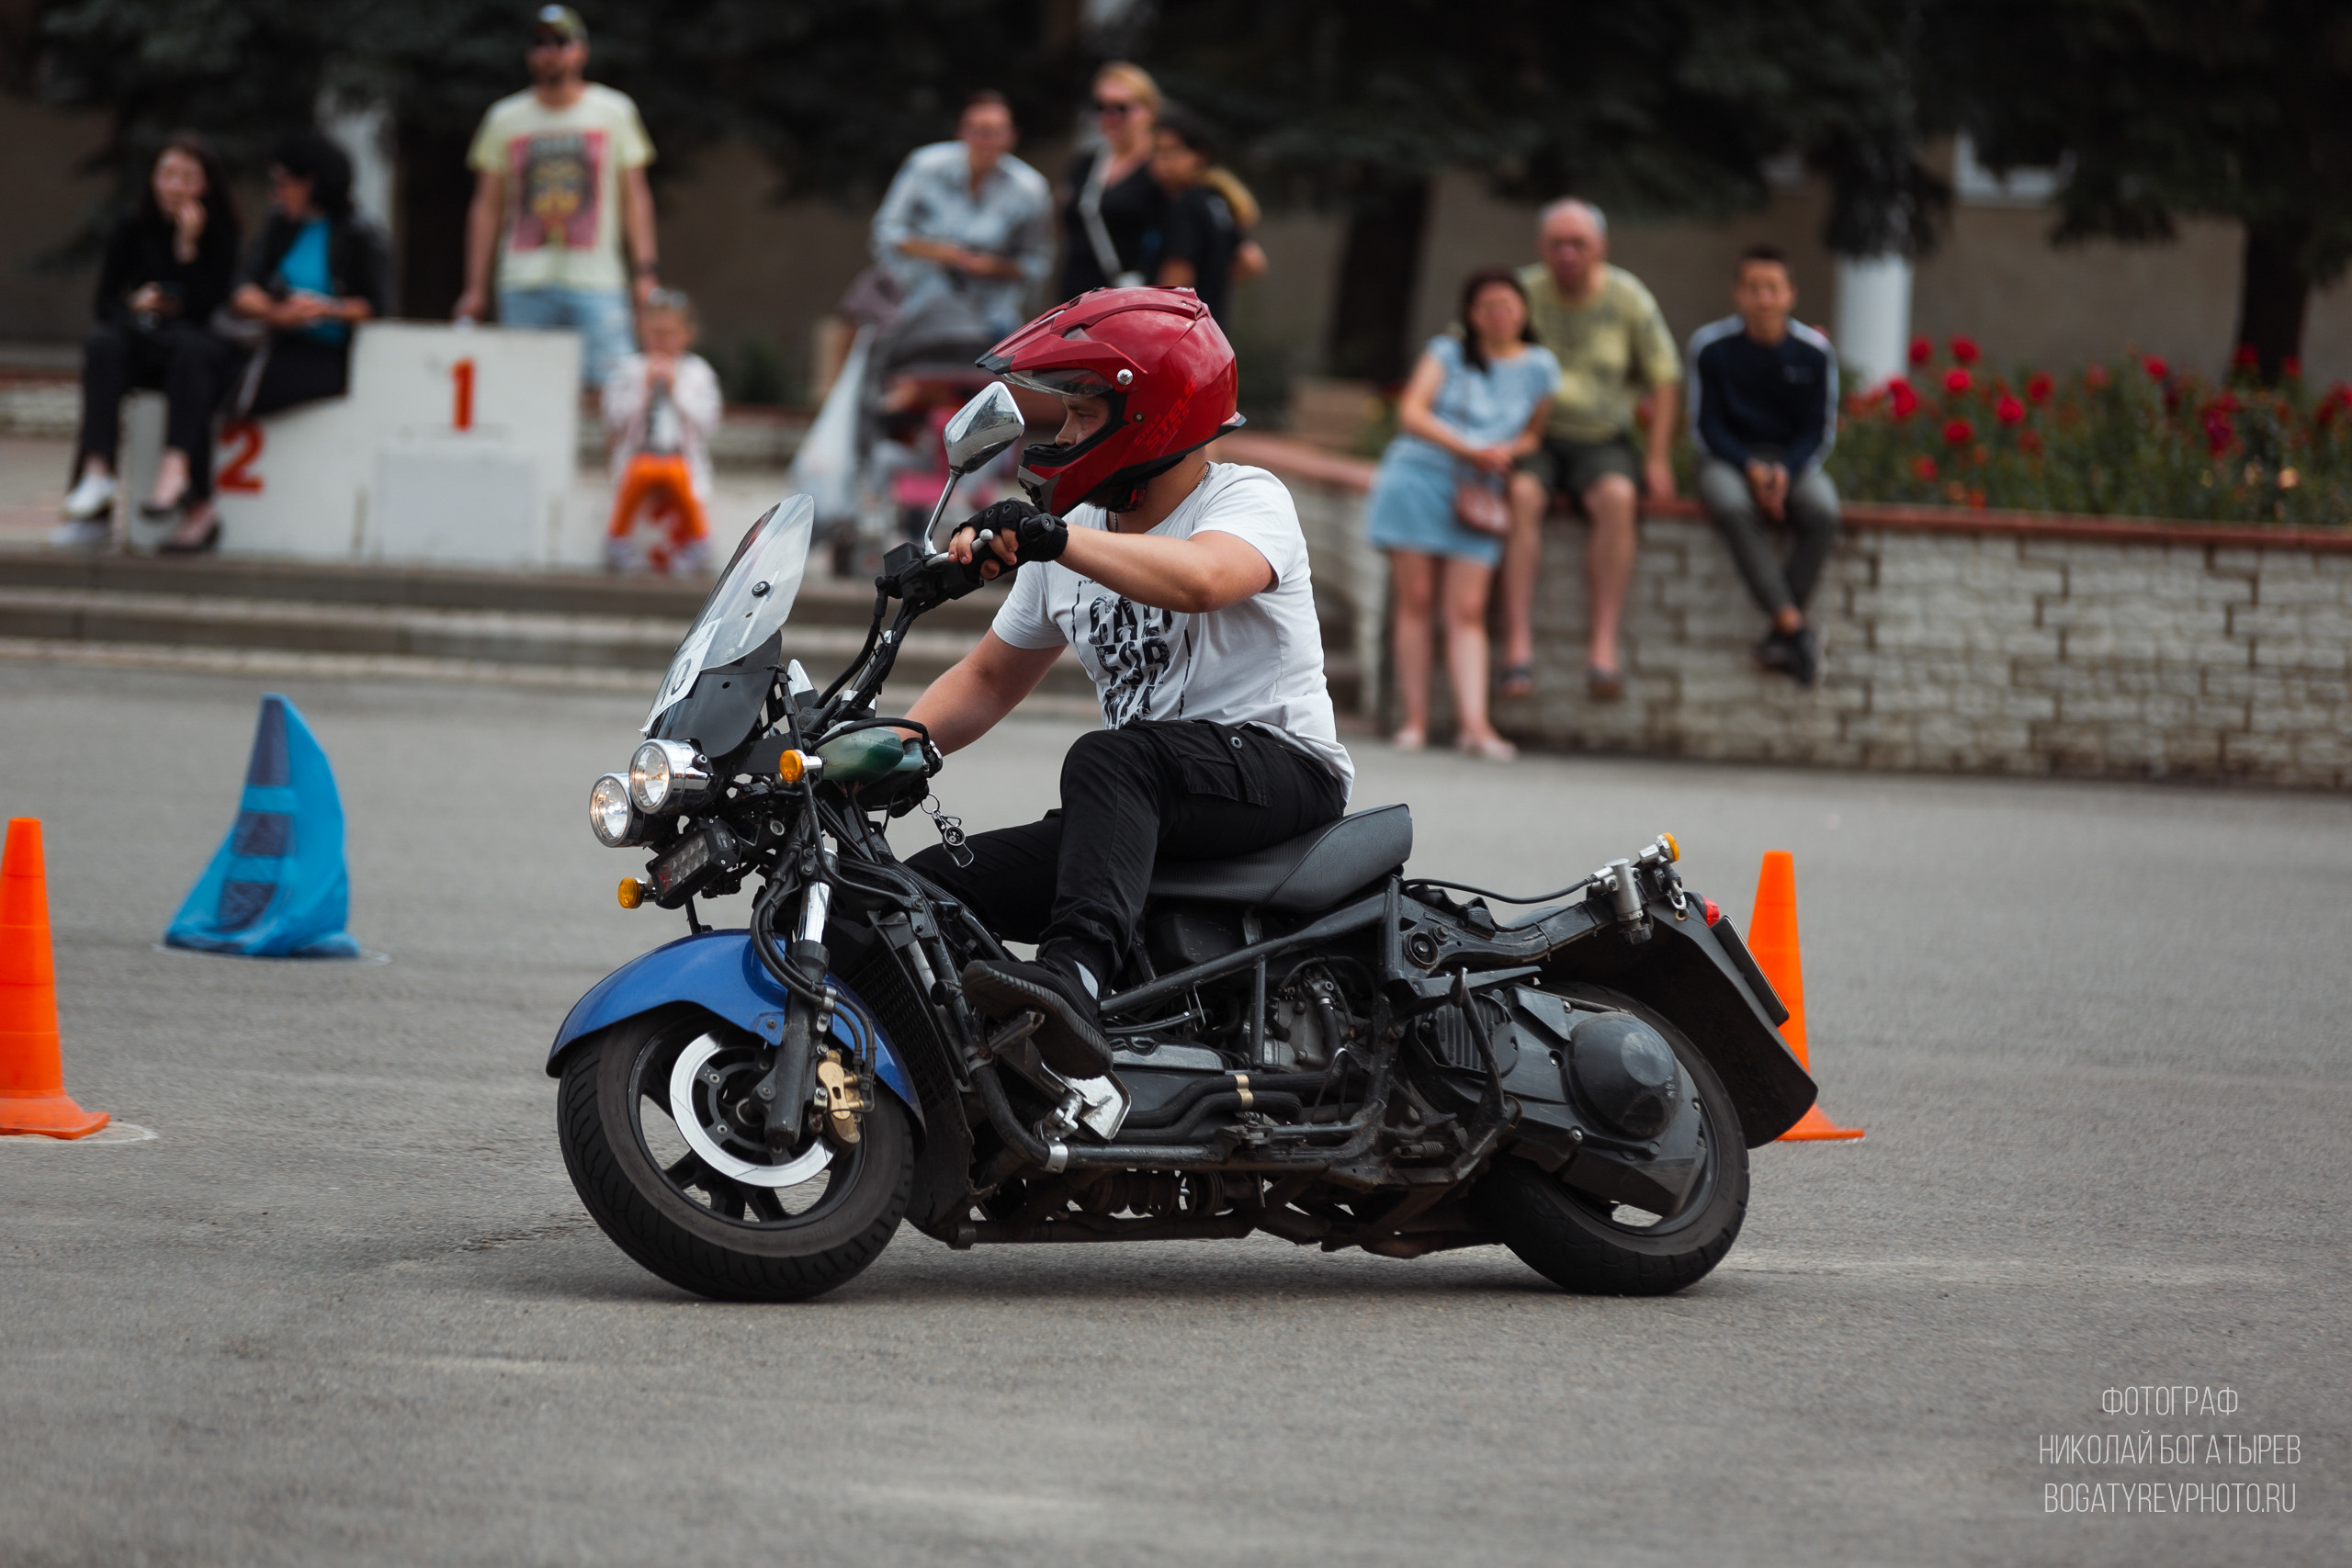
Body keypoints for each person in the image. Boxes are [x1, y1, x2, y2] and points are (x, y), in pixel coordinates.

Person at [902, 288, 1350, 1079]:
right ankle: (970, 1075)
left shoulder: (1247, 498)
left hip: (1282, 771)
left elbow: (1206, 579)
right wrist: (889, 749)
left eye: (1082, 414)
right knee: (924, 892)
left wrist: (1052, 537)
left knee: (1111, 757)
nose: (1062, 434)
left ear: (1152, 413)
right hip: (1153, 792)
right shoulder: (1073, 542)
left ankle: (1072, 980)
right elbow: (988, 676)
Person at [1365, 268, 1558, 761]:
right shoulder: (1446, 352)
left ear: (1524, 310)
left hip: (1480, 492)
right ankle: (1415, 721)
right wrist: (1471, 448)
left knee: (1468, 609)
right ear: (1471, 315)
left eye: (1508, 304)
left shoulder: (1540, 366)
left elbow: (1536, 431)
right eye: (1487, 306)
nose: (1499, 314)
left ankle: (1475, 724)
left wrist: (1505, 451)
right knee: (1417, 599)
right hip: (1420, 477)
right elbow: (1412, 413)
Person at [1507, 197, 1681, 702]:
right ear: (1541, 247)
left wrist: (1657, 456)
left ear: (1600, 247)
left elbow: (1665, 377)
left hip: (1602, 437)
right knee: (1521, 495)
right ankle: (1518, 647)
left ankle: (1603, 647)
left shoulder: (1629, 297)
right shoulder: (1522, 292)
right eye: (1556, 243)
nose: (1566, 253)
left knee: (1618, 499)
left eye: (1578, 243)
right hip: (1533, 436)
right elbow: (1472, 350)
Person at [184, 130, 387, 556]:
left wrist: (324, 309)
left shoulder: (358, 232)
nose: (276, 193)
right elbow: (241, 286)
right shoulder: (279, 226)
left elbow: (378, 306)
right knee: (189, 364)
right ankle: (194, 500)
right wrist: (273, 311)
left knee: (204, 387)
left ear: (310, 182)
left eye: (282, 182)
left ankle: (196, 503)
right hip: (272, 339)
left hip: (323, 353)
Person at [53, 133, 242, 552]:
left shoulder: (221, 231)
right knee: (103, 346)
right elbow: (104, 303)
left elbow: (210, 310)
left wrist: (188, 246)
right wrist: (136, 306)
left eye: (186, 177)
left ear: (205, 186)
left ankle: (179, 481)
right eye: (166, 174)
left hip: (192, 353)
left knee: (192, 356)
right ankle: (97, 477)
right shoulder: (131, 225)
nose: (173, 186)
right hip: (144, 341)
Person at [454, 5, 658, 390]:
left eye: (560, 42)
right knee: (526, 393)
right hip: (523, 281)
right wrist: (475, 288)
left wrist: (646, 273)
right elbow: (486, 207)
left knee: (616, 393)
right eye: (539, 43)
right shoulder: (504, 118)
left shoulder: (614, 111)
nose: (549, 52)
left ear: (581, 50)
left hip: (598, 282)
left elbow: (636, 199)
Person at [1688, 244, 1840, 686]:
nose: (1763, 298)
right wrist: (1748, 465)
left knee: (1824, 509)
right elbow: (1704, 425)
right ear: (1738, 293)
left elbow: (1819, 430)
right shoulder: (1711, 347)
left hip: (1791, 461)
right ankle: (1796, 627)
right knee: (1733, 506)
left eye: (1772, 288)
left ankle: (1781, 632)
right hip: (1727, 458)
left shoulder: (1814, 354)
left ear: (1790, 293)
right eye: (1753, 288)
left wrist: (1784, 471)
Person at [870, 90, 1054, 343]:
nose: (986, 140)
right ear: (962, 132)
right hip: (917, 301)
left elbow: (1037, 263)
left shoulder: (1030, 189)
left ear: (1011, 136)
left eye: (995, 131)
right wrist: (940, 253)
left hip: (990, 313)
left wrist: (991, 266)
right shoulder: (926, 165)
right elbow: (886, 231)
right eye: (979, 130)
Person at [603, 288, 723, 574]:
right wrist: (643, 390)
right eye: (655, 333)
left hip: (681, 457)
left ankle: (699, 541)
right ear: (642, 333)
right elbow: (613, 419)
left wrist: (676, 390)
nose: (662, 342)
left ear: (686, 334)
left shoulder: (699, 372)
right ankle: (617, 538)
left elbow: (709, 423)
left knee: (678, 474)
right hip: (639, 455)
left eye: (669, 333)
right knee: (641, 471)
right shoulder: (629, 368)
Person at [1148, 108, 1269, 322]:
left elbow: (1176, 280)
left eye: (1171, 151)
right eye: (1157, 152)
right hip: (1213, 331)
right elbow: (1252, 261)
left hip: (1182, 333)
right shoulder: (1216, 201)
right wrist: (1211, 282)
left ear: (1199, 155)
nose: (1162, 162)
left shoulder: (1183, 205)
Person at [1057, 62, 1164, 297]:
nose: (1110, 116)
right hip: (1075, 301)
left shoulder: (1162, 170)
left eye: (1121, 107)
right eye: (1101, 106)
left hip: (1133, 306)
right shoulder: (1084, 164)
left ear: (1149, 110)